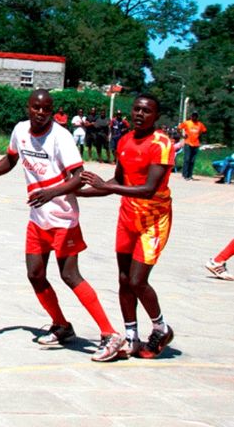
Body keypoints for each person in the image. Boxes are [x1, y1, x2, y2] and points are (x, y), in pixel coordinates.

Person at [0, 89, 124, 362]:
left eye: (46, 109)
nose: (41, 113)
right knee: (35, 274)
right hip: (38, 218)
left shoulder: (61, 137)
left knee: (69, 276)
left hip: (63, 218)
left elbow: (80, 177)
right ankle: (61, 325)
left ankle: (110, 334)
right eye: (36, 108)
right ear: (28, 108)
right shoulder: (20, 131)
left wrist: (51, 193)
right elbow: (11, 159)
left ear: (52, 111)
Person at [79, 93, 176, 359]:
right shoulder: (123, 140)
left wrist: (105, 185)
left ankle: (161, 327)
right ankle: (131, 336)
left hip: (153, 221)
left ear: (156, 116)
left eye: (146, 111)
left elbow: (148, 189)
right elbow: (117, 181)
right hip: (127, 218)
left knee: (137, 280)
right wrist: (78, 192)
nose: (140, 114)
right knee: (123, 279)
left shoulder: (162, 144)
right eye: (136, 109)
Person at [177, 111, 207, 181]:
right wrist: (182, 136)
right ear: (191, 116)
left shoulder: (200, 124)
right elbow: (178, 128)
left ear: (197, 117)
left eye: (196, 116)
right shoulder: (187, 123)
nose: (194, 117)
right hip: (188, 143)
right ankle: (185, 174)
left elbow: (205, 131)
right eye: (193, 116)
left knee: (192, 160)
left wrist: (200, 135)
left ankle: (190, 175)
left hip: (196, 144)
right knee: (187, 159)